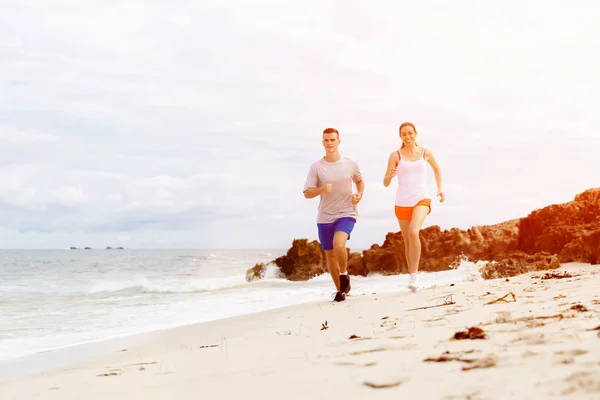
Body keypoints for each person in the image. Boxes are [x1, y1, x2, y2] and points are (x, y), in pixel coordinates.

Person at [303, 127, 364, 302]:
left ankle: (344, 275)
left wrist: (359, 194)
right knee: (329, 254)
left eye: (332, 140)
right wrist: (321, 189)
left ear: (339, 141)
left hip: (346, 212)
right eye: (326, 140)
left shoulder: (350, 164)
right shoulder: (316, 167)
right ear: (322, 142)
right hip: (324, 216)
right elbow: (307, 193)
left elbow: (359, 181)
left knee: (339, 244)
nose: (330, 143)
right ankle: (340, 291)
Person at [383, 122, 444, 292]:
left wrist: (440, 189)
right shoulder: (395, 156)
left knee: (413, 232)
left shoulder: (425, 152)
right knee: (408, 241)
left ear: (416, 133)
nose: (408, 136)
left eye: (410, 133)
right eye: (404, 134)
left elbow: (437, 169)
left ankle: (415, 276)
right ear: (400, 136)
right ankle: (412, 277)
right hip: (402, 202)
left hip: (421, 199)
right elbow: (386, 182)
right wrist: (390, 174)